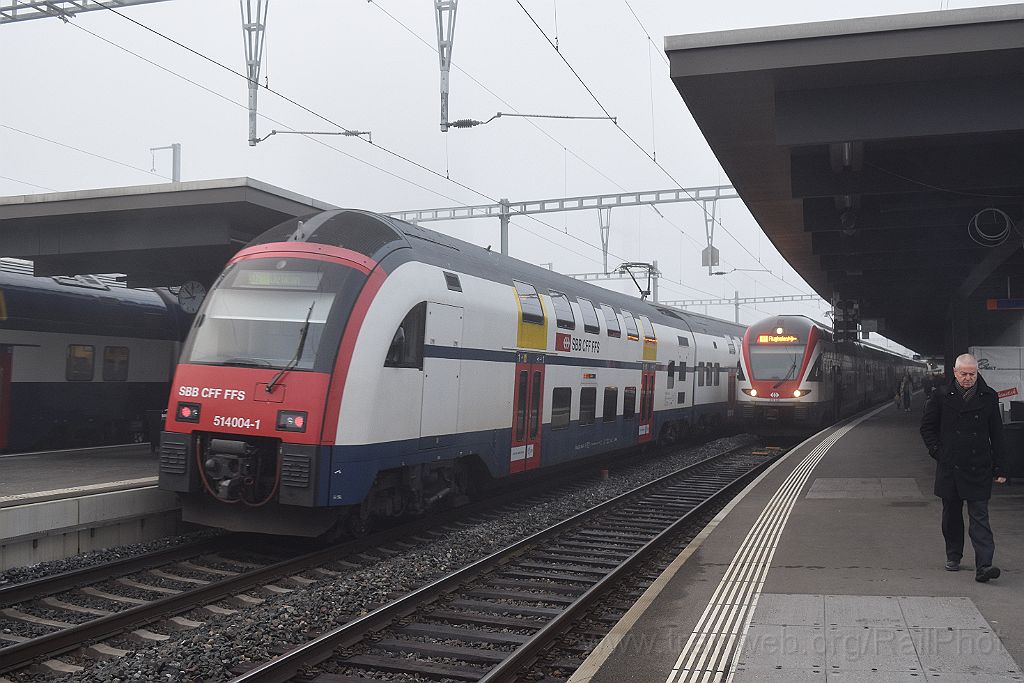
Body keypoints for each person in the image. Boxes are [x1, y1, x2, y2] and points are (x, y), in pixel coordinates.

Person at [920, 353, 1008, 582]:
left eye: (972, 374)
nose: (968, 378)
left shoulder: (988, 396)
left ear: (977, 373)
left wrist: (1000, 467)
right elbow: (927, 428)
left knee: (980, 516)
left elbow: (997, 434)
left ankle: (984, 565)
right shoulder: (940, 396)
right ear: (955, 373)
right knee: (952, 515)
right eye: (964, 374)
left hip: (979, 465)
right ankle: (954, 555)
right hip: (950, 466)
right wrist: (938, 453)